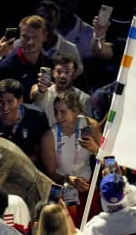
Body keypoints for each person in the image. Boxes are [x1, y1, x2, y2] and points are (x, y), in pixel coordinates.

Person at [40, 91, 101, 226]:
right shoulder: (49, 137)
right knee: (67, 231)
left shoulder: (91, 126)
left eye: (63, 112)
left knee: (91, 228)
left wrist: (96, 150)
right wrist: (69, 180)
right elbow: (51, 173)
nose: (58, 117)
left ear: (75, 111)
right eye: (56, 112)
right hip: (63, 189)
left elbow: (108, 158)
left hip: (87, 187)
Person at [0, 78, 49, 164]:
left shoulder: (37, 117)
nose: (5, 107)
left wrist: (19, 165)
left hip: (30, 170)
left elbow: (42, 152)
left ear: (20, 100)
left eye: (10, 101)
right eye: (1, 102)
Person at [0, 15, 54, 100]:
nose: (29, 42)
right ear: (19, 36)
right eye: (25, 36)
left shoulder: (51, 65)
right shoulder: (4, 68)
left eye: (34, 37)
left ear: (45, 36)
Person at [31, 53, 92, 126]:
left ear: (74, 74)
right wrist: (40, 90)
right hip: (46, 136)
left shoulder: (84, 99)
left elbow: (88, 126)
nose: (62, 76)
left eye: (67, 72)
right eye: (59, 72)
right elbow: (34, 95)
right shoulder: (43, 92)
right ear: (53, 73)